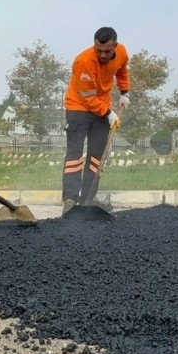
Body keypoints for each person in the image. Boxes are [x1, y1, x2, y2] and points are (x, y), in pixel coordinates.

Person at [62, 27, 130, 214]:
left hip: (102, 107)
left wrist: (124, 92)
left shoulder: (122, 52)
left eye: (107, 51)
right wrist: (107, 113)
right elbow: (86, 96)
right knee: (75, 154)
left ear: (115, 46)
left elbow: (122, 71)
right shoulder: (83, 61)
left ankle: (87, 200)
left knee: (96, 157)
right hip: (78, 107)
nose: (102, 54)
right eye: (98, 50)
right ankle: (70, 200)